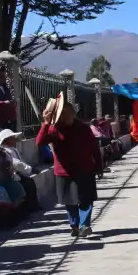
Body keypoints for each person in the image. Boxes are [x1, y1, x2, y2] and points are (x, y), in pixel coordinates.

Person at [37, 93, 102, 238]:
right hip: (64, 171)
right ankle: (75, 225)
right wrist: (45, 123)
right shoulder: (54, 129)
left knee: (86, 199)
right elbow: (39, 143)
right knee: (69, 200)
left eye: (68, 112)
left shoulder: (84, 128)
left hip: (85, 169)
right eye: (62, 114)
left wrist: (99, 166)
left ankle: (85, 225)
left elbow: (94, 148)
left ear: (73, 112)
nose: (66, 116)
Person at [0, 129, 39, 211]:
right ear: (6, 139)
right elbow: (16, 163)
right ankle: (28, 208)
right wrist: (30, 169)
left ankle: (33, 206)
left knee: (30, 183)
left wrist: (28, 168)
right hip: (12, 175)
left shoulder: (13, 149)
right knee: (27, 186)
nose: (14, 139)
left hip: (19, 174)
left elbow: (21, 162)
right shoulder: (5, 151)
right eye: (12, 137)